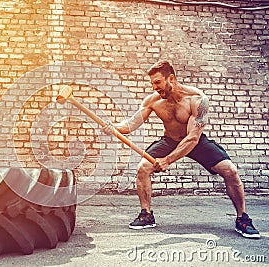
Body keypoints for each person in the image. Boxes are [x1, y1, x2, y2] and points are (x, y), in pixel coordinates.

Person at [102, 60, 260, 239]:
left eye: (158, 82)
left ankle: (243, 219)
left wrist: (168, 160)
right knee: (143, 168)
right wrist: (113, 127)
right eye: (152, 83)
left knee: (230, 170)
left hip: (195, 141)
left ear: (171, 78)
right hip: (169, 140)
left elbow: (192, 138)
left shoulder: (197, 99)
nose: (155, 88)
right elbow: (131, 124)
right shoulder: (153, 101)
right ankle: (146, 215)